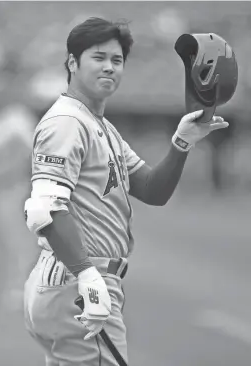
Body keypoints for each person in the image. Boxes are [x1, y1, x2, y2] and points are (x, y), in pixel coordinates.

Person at [23, 17, 228, 366]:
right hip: (78, 282)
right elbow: (45, 209)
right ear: (72, 63)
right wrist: (87, 276)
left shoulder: (99, 125)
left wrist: (182, 142)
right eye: (98, 57)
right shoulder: (67, 123)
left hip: (68, 282)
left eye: (117, 60)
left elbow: (151, 189)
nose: (109, 67)